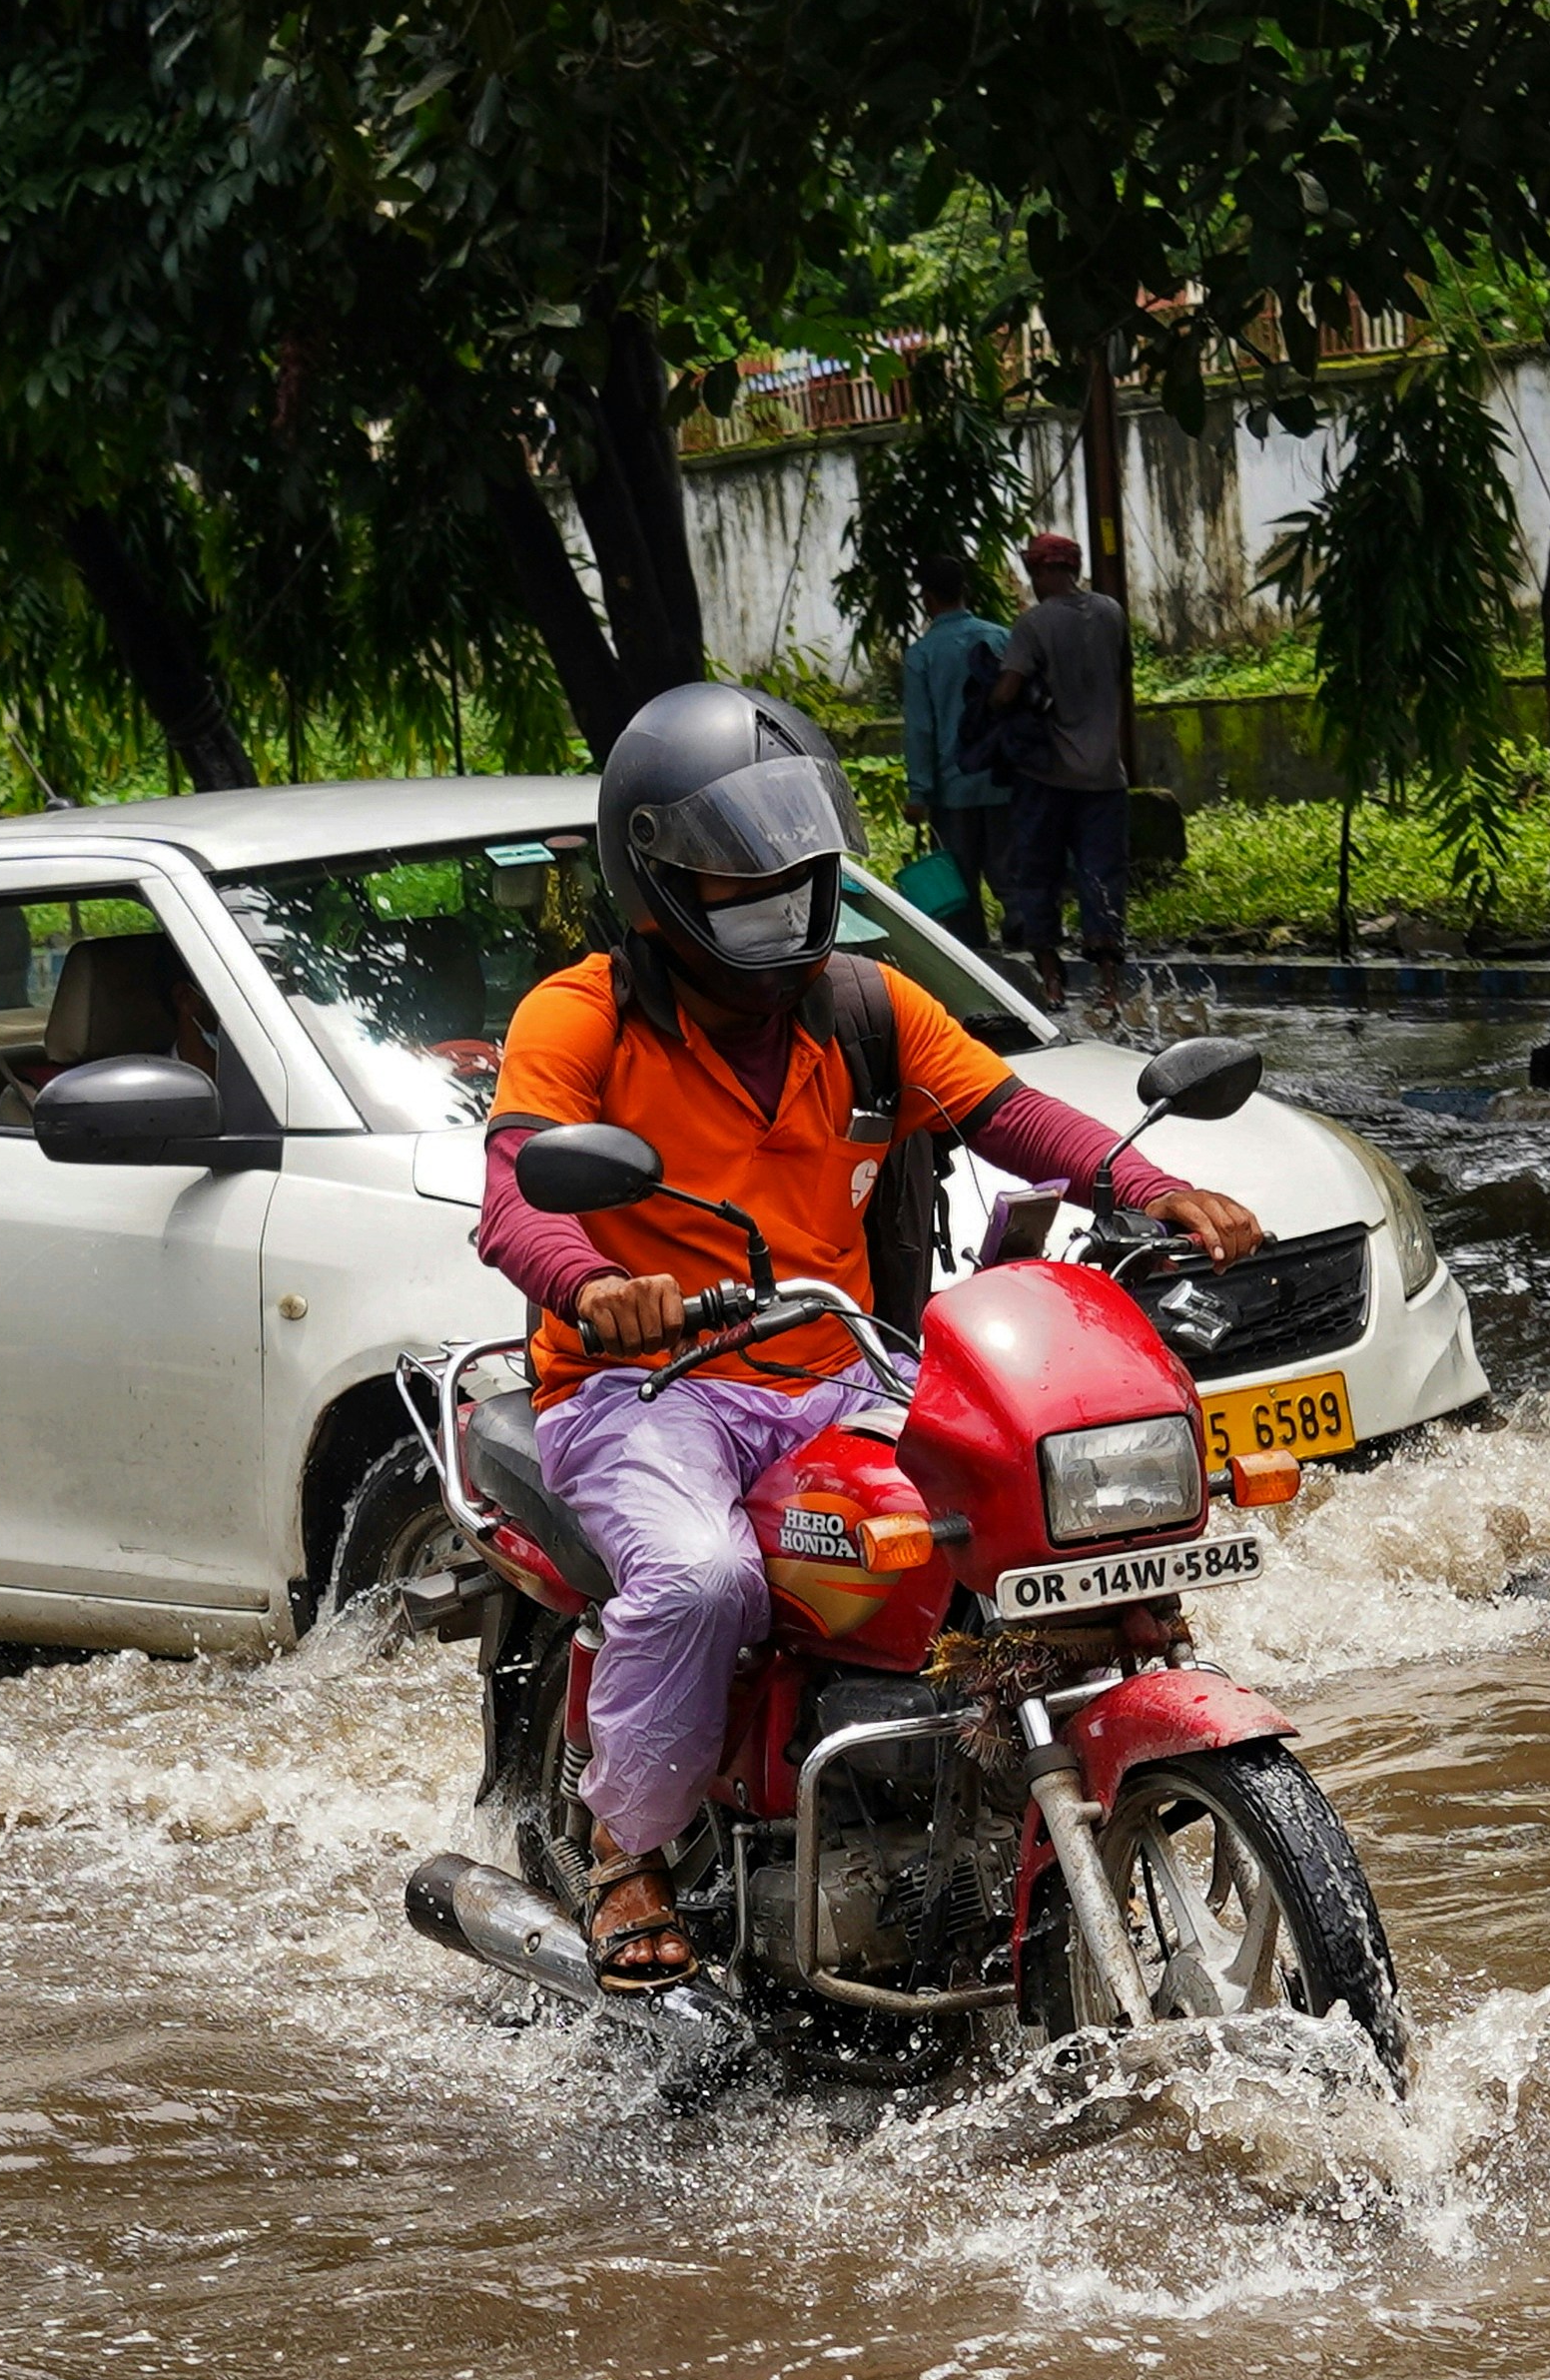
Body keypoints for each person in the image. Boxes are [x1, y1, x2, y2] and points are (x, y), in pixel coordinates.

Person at [476, 680, 1260, 1990]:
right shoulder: (585, 1013)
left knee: (1026, 1514)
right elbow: (513, 1192)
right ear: (658, 880)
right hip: (640, 1387)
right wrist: (591, 1282)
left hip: (834, 1364)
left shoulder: (867, 1005)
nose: (782, 910)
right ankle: (624, 1848)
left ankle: (1008, 1793)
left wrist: (1148, 1186)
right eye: (743, 886)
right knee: (702, 1581)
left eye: (796, 878)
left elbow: (1014, 1117)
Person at [986, 529, 1136, 995]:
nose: (1031, 579)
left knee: (1037, 874)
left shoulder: (1034, 625)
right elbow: (1123, 673)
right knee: (1103, 876)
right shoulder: (1112, 613)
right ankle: (1109, 983)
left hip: (1046, 777)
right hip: (1106, 775)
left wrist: (997, 697)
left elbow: (1006, 693)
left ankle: (1051, 977)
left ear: (1048, 570)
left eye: (1033, 569)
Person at [893, 552, 1018, 924]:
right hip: (1003, 782)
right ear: (965, 590)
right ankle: (1035, 957)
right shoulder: (1002, 639)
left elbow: (920, 729)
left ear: (927, 599)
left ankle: (973, 960)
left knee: (959, 888)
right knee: (1012, 875)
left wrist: (918, 793)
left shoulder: (922, 655)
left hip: (953, 790)